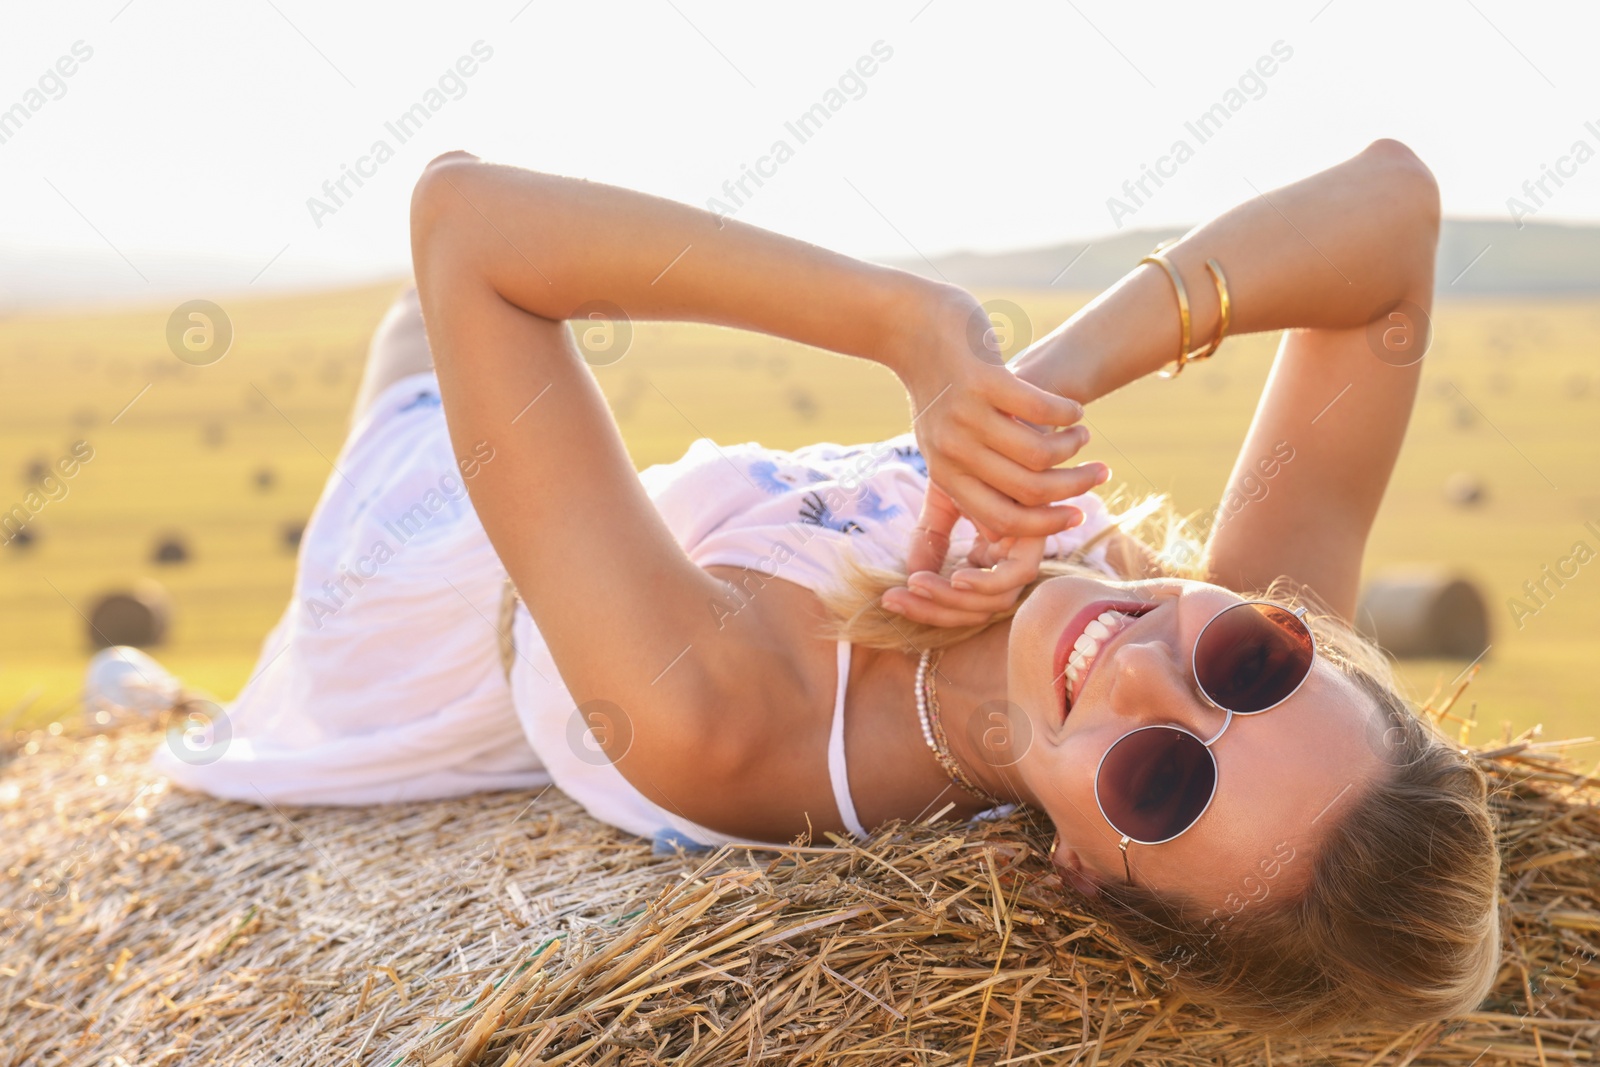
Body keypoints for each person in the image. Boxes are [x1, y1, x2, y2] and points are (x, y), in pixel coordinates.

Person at [132, 138, 1499, 1035]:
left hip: (431, 557)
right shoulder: (1210, 654)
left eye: (1163, 783)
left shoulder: (728, 722)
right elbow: (1392, 214)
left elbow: (469, 223)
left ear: (1081, 875)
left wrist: (910, 328)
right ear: (1309, 640)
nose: (1151, 668)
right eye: (1258, 663)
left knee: (410, 337)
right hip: (649, 492)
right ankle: (142, 689)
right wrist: (1048, 381)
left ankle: (142, 702)